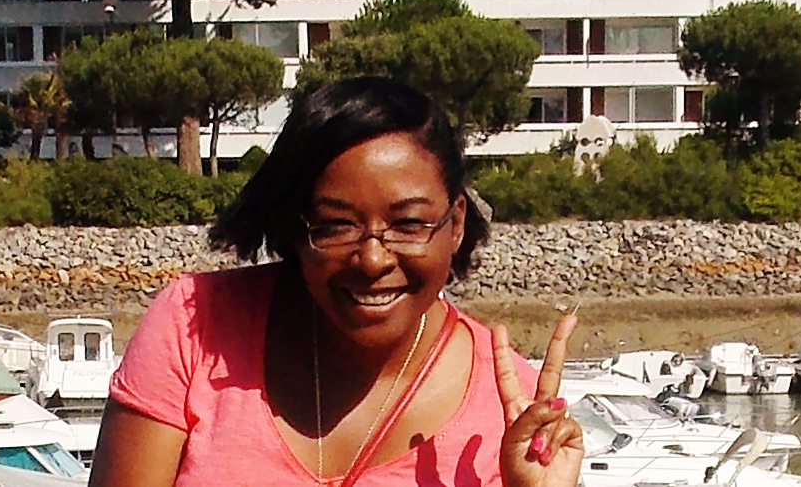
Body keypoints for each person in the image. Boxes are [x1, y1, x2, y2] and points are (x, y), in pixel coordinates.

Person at [91, 76, 583, 487]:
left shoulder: (515, 411)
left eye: (408, 224)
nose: (372, 259)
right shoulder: (195, 329)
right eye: (336, 225)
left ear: (455, 224)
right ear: (294, 227)